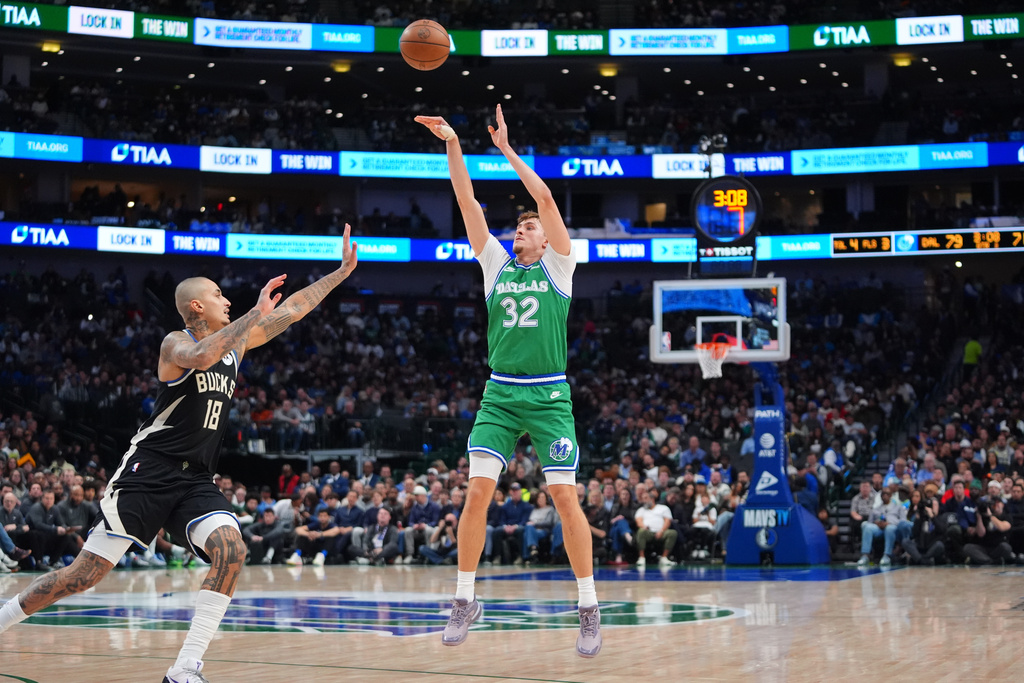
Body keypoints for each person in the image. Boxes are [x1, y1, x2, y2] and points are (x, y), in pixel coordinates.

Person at [0, 226, 358, 683]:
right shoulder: (175, 343)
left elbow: (293, 309)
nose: (226, 299)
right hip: (148, 472)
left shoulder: (238, 342)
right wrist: (250, 315)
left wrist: (340, 274)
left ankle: (184, 668)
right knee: (83, 574)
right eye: (218, 294)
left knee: (231, 549)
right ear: (196, 307)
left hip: (195, 480)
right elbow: (203, 356)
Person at [417, 106, 601, 657]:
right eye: (518, 226)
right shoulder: (495, 264)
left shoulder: (560, 266)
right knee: (476, 493)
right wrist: (453, 143)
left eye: (529, 227)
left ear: (546, 240)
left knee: (566, 498)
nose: (521, 228)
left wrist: (505, 150)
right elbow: (466, 202)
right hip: (499, 393)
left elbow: (545, 200)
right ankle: (465, 599)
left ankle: (588, 605)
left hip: (548, 396)